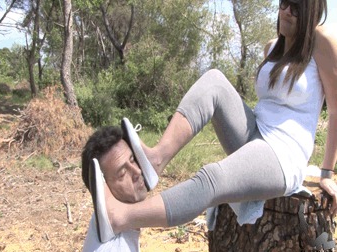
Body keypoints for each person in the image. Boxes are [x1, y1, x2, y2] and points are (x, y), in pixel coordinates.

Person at [103, 0, 337, 237]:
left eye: (296, 7)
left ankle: (120, 219)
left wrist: (327, 172)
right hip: (256, 131)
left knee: (212, 177)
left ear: (311, 13)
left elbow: (336, 111)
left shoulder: (321, 44)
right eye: (284, 3)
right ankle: (155, 160)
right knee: (214, 79)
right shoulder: (272, 48)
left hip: (283, 152)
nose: (286, 11)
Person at [79, 123, 158, 252]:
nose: (137, 172)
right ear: (104, 190)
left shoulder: (103, 219)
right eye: (122, 173)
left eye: (133, 160)